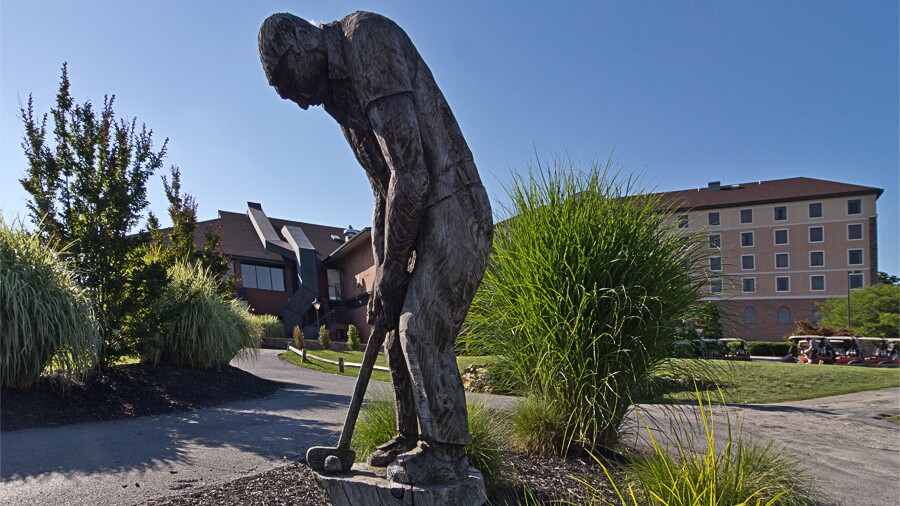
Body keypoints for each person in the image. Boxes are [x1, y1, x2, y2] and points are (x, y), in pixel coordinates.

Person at [259, 12, 493, 485]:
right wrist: (386, 261)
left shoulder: (366, 41)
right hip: (415, 202)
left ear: (302, 42)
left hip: (453, 203)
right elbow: (383, 188)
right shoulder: (338, 99)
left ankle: (446, 452)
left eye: (291, 85)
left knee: (418, 325)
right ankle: (412, 436)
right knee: (389, 329)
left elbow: (412, 172)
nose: (302, 103)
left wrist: (389, 275)